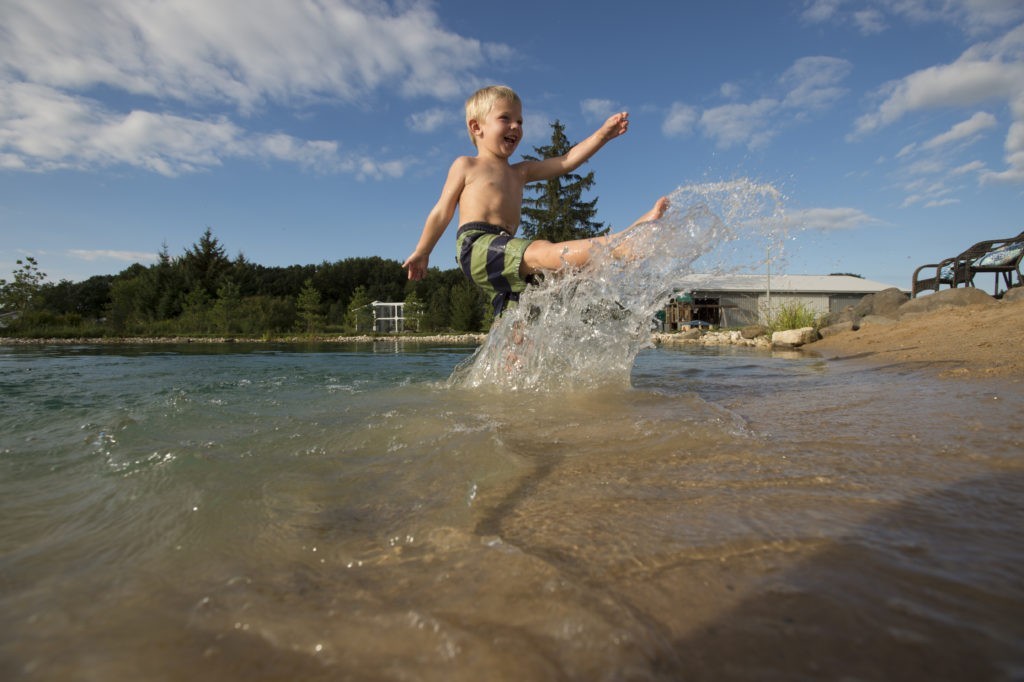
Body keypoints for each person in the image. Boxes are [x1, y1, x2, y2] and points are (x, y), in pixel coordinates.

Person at [403, 84, 668, 316]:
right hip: (478, 246)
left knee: (526, 321)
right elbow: (442, 212)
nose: (516, 127)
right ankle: (622, 246)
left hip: (508, 254)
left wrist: (601, 136)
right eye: (505, 118)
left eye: (520, 121)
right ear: (477, 127)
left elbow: (566, 162)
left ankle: (630, 235)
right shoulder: (466, 165)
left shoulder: (521, 171)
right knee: (543, 251)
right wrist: (423, 251)